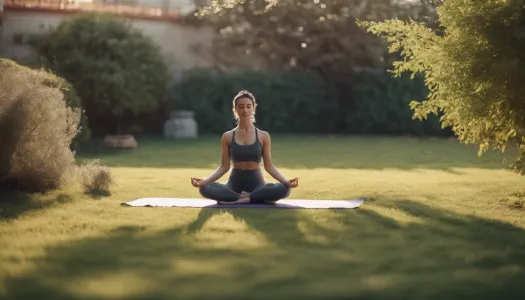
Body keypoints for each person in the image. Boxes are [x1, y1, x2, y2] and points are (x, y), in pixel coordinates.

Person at [190, 90, 299, 204]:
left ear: (253, 108)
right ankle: (246, 197)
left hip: (257, 185)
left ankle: (246, 197)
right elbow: (224, 167)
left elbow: (269, 167)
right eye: (241, 107)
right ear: (235, 109)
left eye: (248, 106)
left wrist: (286, 182)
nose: (245, 110)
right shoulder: (227, 136)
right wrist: (204, 181)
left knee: (284, 189)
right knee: (205, 189)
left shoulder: (263, 136)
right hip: (233, 186)